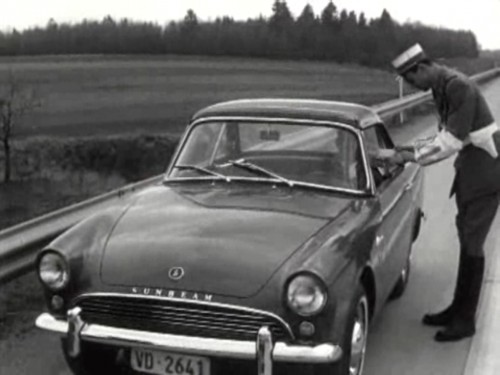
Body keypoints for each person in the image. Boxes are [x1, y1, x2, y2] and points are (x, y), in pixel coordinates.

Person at [380, 43, 500, 342]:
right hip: (472, 167)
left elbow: (449, 142)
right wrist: (404, 150)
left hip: (485, 170)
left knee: (472, 242)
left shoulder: (457, 87)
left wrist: (405, 156)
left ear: (422, 68)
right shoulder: (442, 87)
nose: (412, 87)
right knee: (466, 236)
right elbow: (443, 136)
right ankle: (457, 309)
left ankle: (465, 320)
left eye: (411, 80)